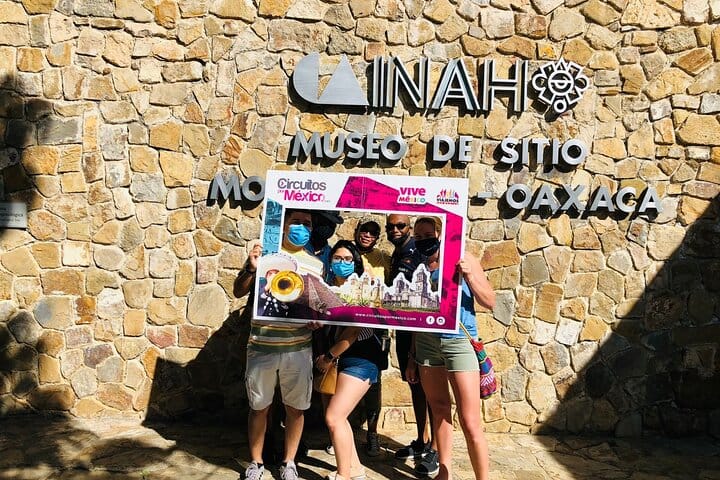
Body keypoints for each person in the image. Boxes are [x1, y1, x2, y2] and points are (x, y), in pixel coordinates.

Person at [234, 209, 324, 480]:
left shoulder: (316, 264)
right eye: (296, 222)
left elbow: (318, 304)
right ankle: (256, 462)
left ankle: (289, 462)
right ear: (284, 225)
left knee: (296, 409)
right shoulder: (265, 256)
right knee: (258, 407)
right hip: (262, 345)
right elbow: (238, 290)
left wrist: (317, 318)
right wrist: (251, 267)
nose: (302, 227)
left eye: (307, 224)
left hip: (299, 348)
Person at [409, 217, 496, 480]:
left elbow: (489, 300)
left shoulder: (462, 258)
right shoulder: (419, 266)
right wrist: (412, 356)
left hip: (458, 341)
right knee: (438, 410)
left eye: (428, 234)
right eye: (418, 236)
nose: (423, 240)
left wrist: (469, 275)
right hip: (426, 343)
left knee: (470, 421)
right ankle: (443, 474)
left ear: (440, 233)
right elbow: (415, 315)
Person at [316, 240, 385, 480]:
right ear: (330, 261)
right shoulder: (324, 289)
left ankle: (342, 475)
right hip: (335, 360)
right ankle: (355, 470)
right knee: (338, 418)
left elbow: (354, 331)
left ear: (355, 263)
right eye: (337, 258)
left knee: (334, 417)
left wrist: (328, 357)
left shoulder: (363, 290)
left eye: (348, 259)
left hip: (361, 358)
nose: (342, 263)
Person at [385, 214, 436, 471]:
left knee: (431, 389)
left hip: (421, 331)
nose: (394, 230)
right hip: (404, 330)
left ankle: (435, 447)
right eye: (390, 226)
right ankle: (422, 440)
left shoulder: (418, 252)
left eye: (400, 226)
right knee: (415, 385)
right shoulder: (398, 252)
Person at [352, 218, 391, 456]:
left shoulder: (384, 259)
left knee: (373, 382)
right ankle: (342, 432)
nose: (367, 234)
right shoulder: (345, 252)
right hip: (348, 325)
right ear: (356, 231)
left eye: (373, 232)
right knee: (343, 378)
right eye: (364, 230)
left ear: (378, 237)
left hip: (376, 328)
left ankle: (372, 433)